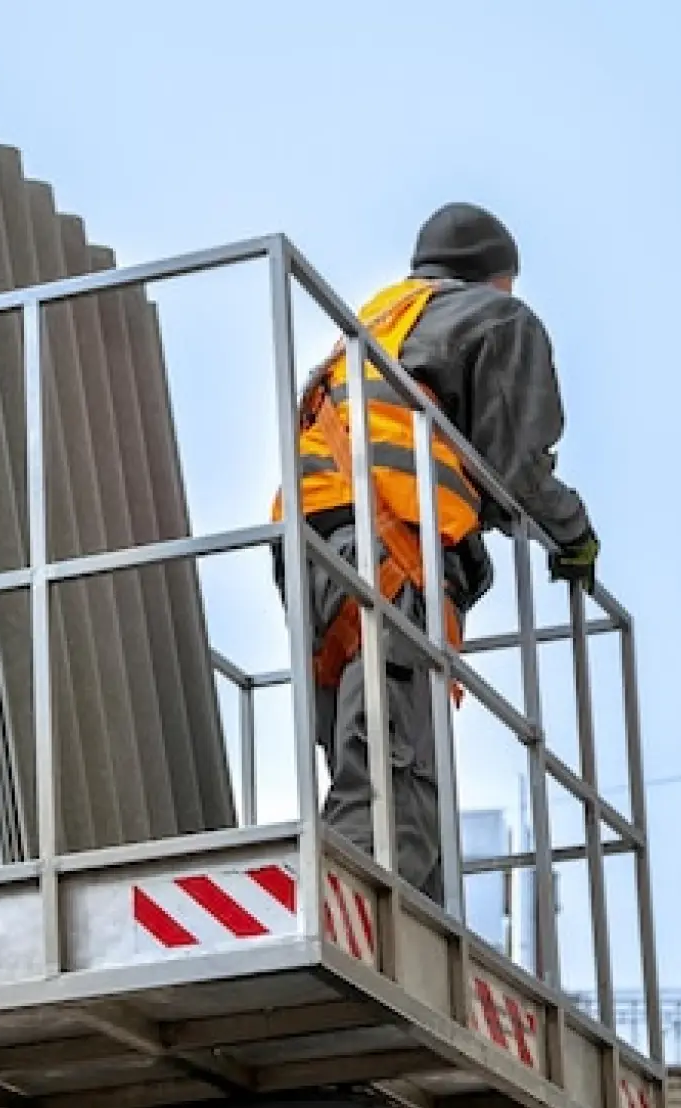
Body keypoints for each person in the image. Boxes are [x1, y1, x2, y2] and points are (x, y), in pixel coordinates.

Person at [270, 202, 601, 904]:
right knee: (398, 787)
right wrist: (573, 534)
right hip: (388, 549)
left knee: (367, 758)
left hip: (308, 546)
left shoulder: (377, 320)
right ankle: (344, 933)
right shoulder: (497, 316)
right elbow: (518, 467)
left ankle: (400, 927)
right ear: (498, 278)